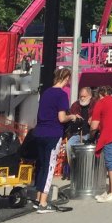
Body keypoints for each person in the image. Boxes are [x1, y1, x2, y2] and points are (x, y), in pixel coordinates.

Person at [32, 66, 74, 213]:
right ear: (67, 78)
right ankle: (43, 203)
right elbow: (61, 118)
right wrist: (72, 117)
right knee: (49, 168)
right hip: (53, 132)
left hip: (39, 132)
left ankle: (38, 199)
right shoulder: (61, 95)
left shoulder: (46, 93)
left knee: (42, 166)